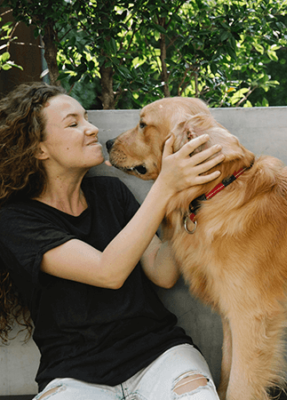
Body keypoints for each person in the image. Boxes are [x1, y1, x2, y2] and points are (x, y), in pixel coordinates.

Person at [0, 82, 225, 400]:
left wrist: (190, 202)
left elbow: (163, 272)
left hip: (160, 355)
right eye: (73, 123)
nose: (92, 129)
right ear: (39, 148)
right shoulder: (16, 220)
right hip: (74, 376)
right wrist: (165, 185)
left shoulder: (111, 193)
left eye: (87, 118)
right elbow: (108, 272)